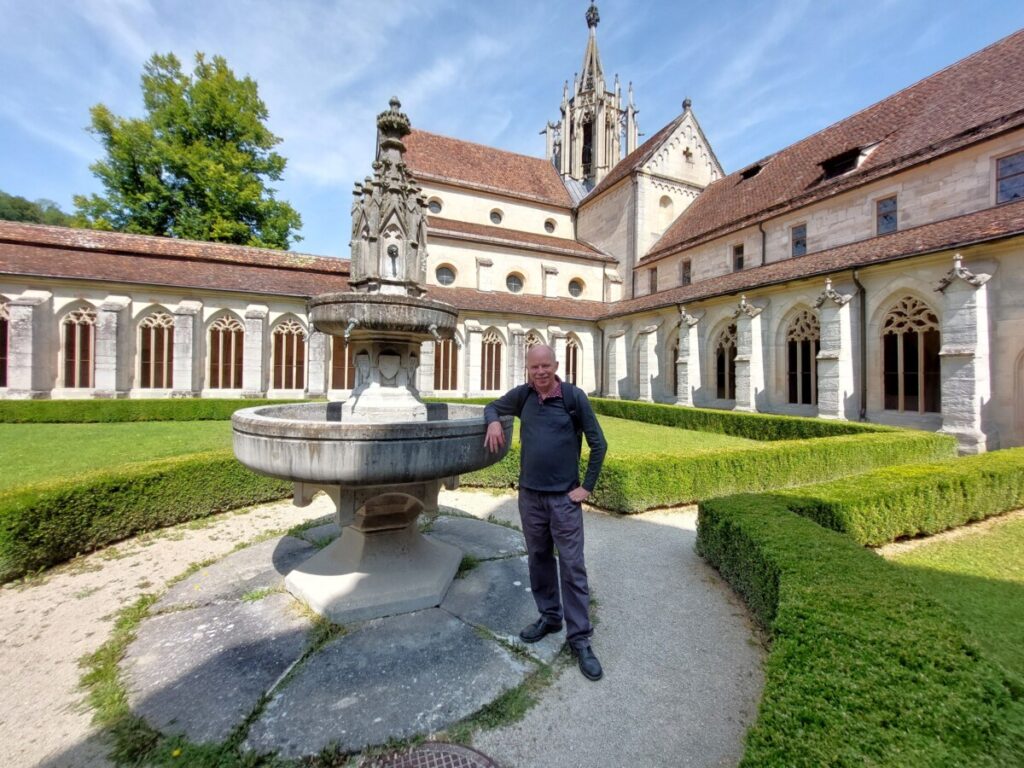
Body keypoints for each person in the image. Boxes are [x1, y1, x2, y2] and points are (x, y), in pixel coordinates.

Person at [483, 344, 607, 681]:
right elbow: (492, 406)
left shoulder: (573, 397)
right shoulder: (523, 397)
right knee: (538, 559)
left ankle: (579, 639)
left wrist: (587, 487)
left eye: (545, 366)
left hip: (564, 500)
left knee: (572, 566)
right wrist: (494, 422)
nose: (540, 372)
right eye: (534, 367)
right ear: (527, 368)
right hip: (530, 497)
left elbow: (599, 444)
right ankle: (550, 617)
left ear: (556, 365)